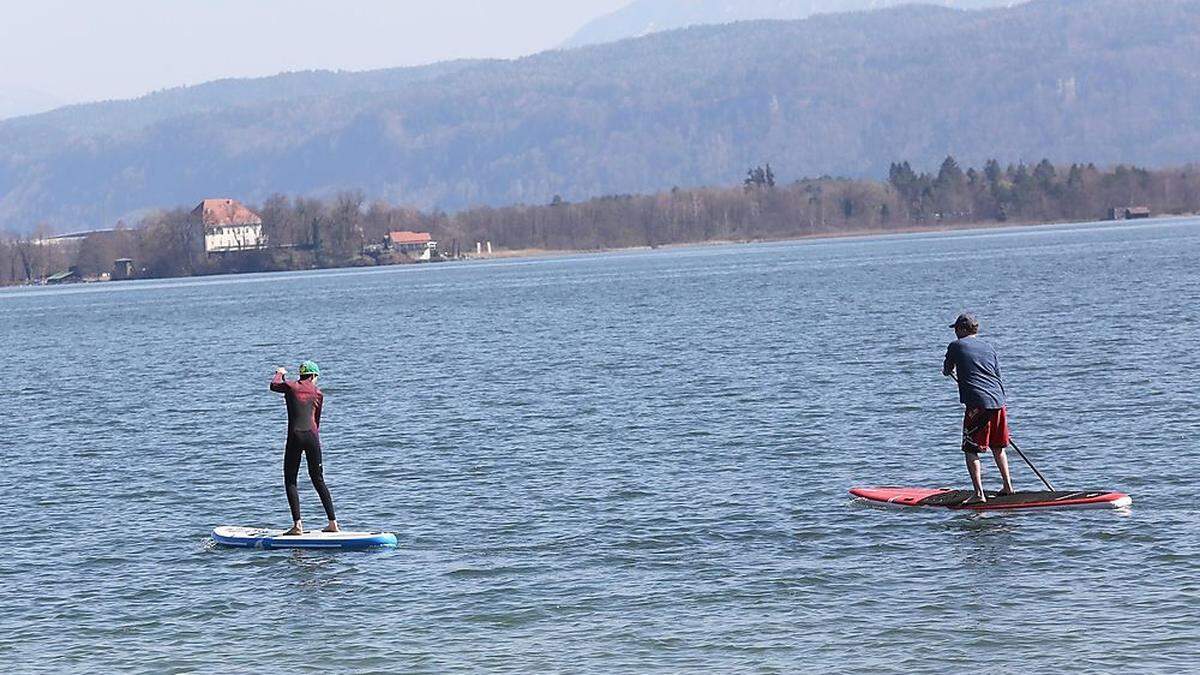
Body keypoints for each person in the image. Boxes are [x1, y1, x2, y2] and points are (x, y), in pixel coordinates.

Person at [942, 314, 1015, 504]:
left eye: (957, 329)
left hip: (977, 404)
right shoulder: (989, 347)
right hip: (998, 401)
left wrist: (949, 370)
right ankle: (1008, 487)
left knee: (970, 448)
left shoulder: (956, 346)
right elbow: (996, 373)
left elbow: (947, 369)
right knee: (998, 447)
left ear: (964, 330)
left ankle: (979, 494)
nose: (955, 333)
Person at [271, 361, 339, 535]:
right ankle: (333, 524)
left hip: (295, 436)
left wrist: (280, 373)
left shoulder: (292, 386)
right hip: (312, 438)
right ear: (314, 376)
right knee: (318, 479)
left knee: (291, 479)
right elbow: (317, 420)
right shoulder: (318, 393)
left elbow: (274, 385)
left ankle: (297, 526)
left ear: (302, 375)